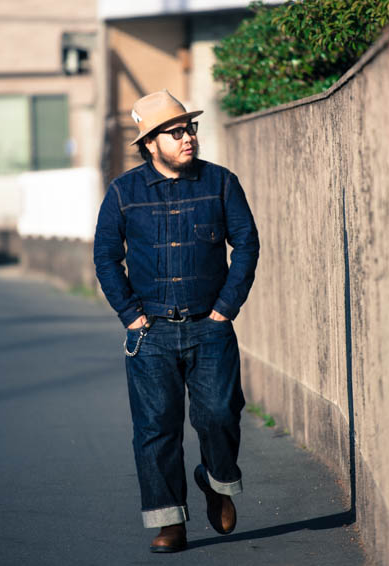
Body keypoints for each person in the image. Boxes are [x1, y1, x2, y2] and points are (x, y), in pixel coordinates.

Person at [93, 90, 259, 553]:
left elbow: (246, 243)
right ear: (150, 143)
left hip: (211, 326)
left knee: (220, 415)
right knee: (156, 429)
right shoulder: (123, 193)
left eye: (190, 128)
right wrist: (132, 317)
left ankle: (217, 480)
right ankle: (170, 522)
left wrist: (225, 308)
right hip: (151, 333)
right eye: (176, 132)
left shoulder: (220, 183)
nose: (188, 138)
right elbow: (106, 257)